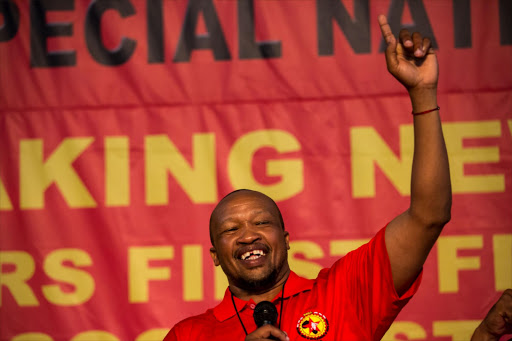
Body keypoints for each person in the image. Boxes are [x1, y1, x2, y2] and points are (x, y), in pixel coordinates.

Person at [163, 14, 452, 341]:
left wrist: (423, 95)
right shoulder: (188, 335)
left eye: (261, 223)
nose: (248, 236)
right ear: (215, 255)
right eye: (231, 229)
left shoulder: (345, 292)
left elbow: (429, 216)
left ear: (286, 240)